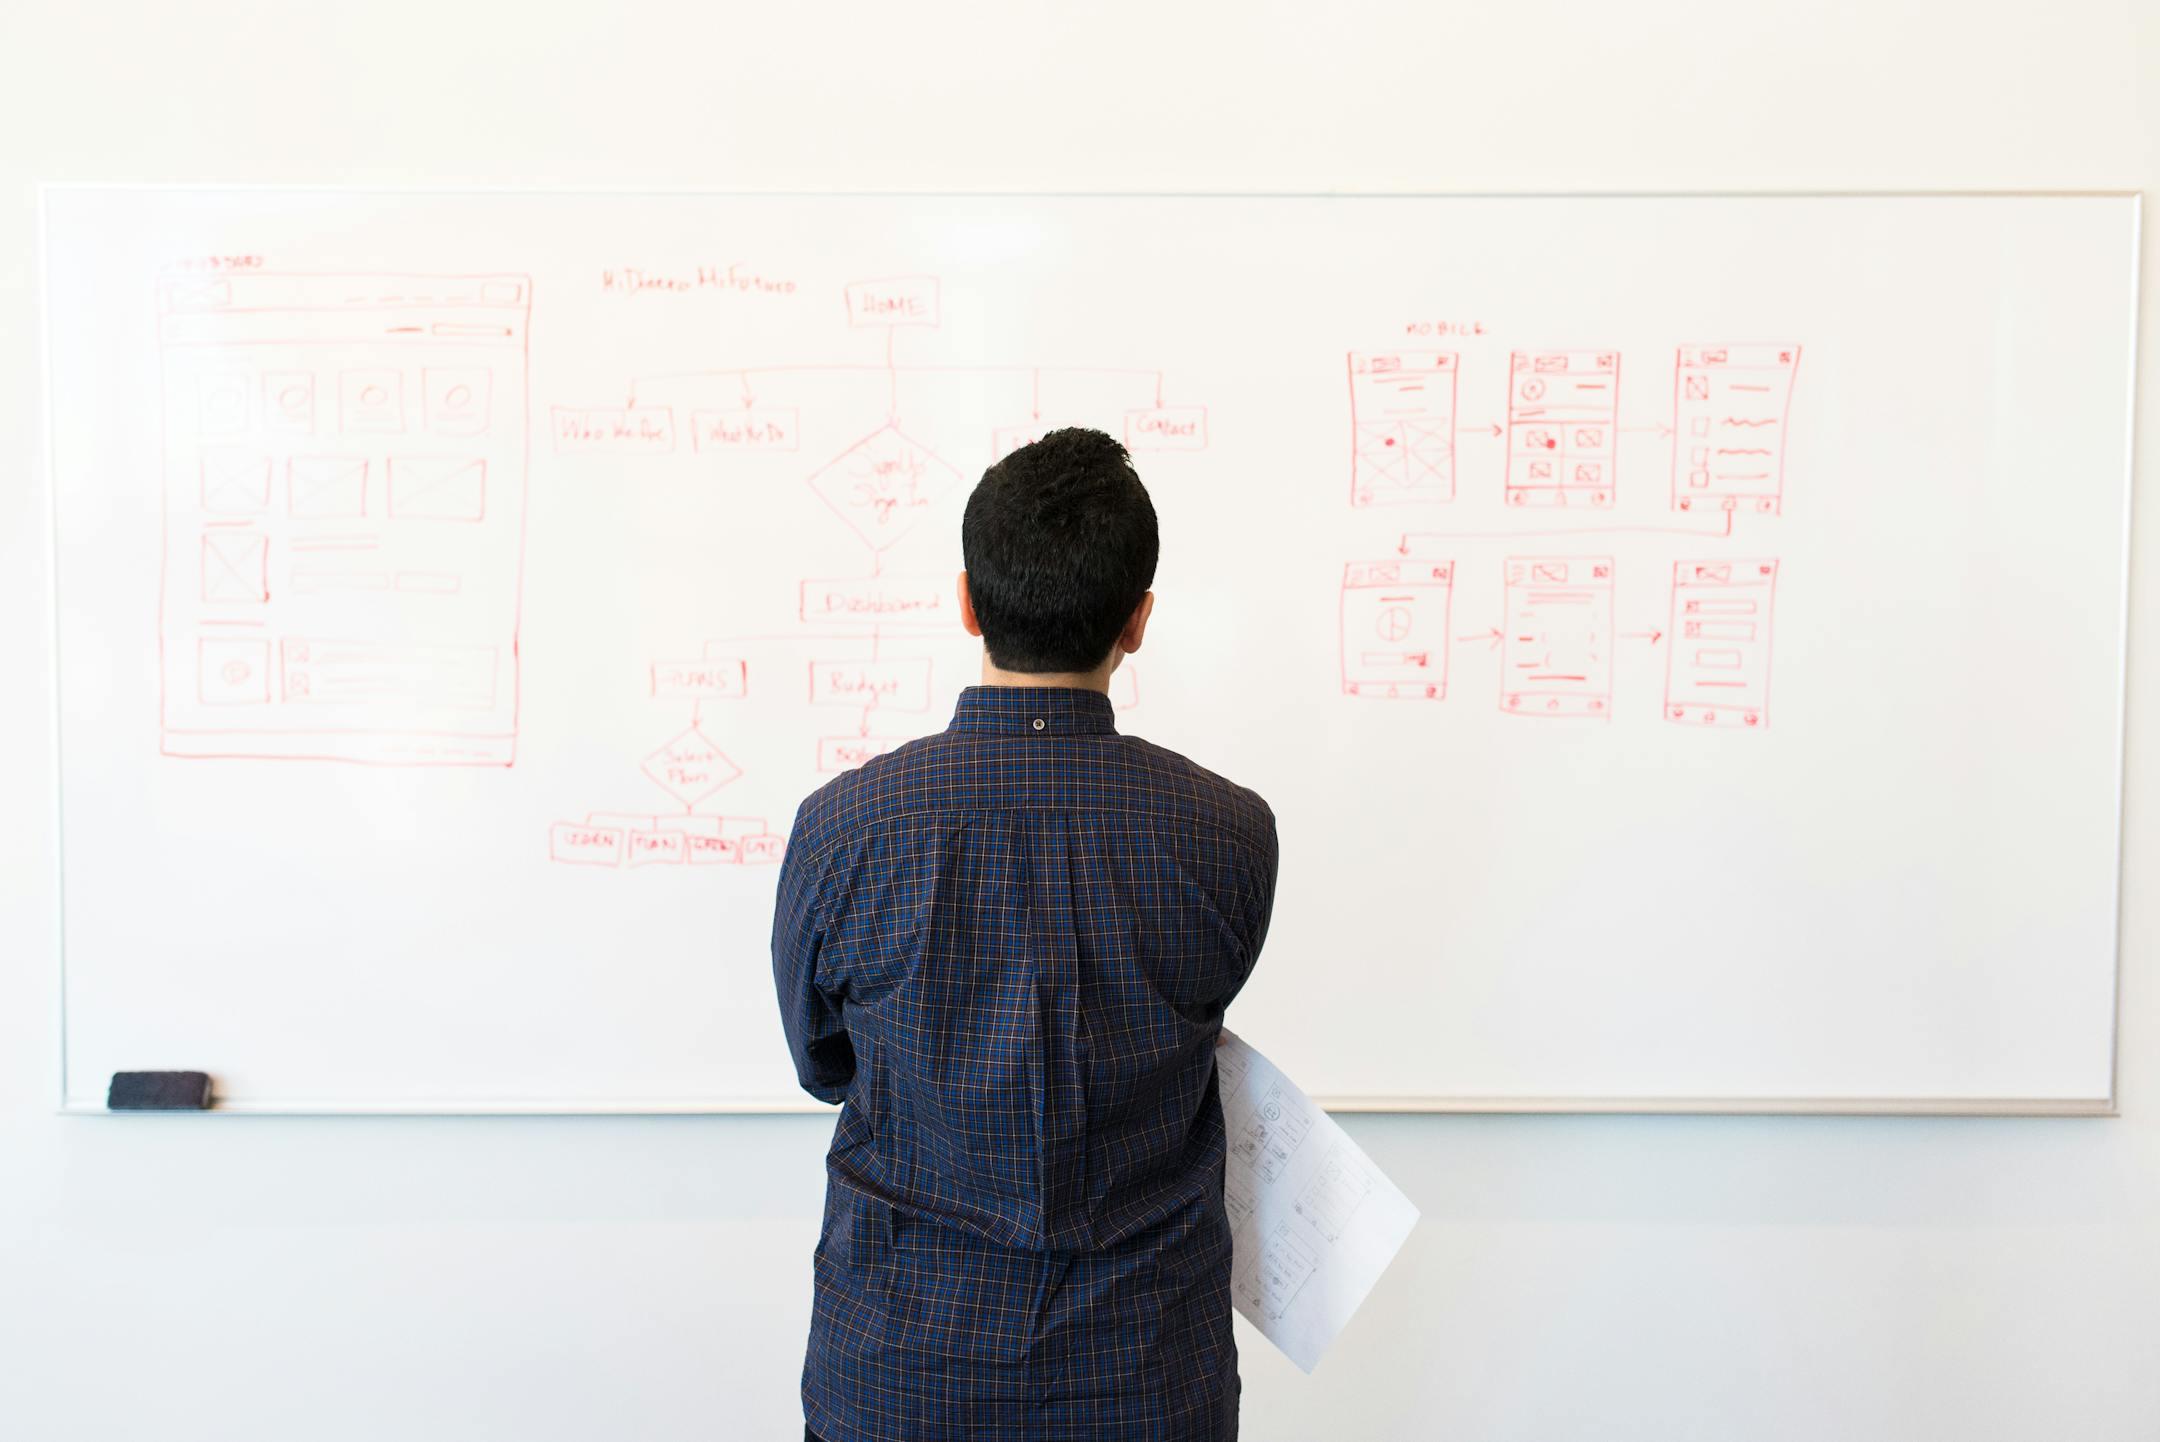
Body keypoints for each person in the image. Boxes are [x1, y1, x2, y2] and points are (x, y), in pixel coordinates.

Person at [772, 426, 1280, 1441]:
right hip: (1146, 1381)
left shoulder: (843, 829)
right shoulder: (1228, 832)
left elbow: (824, 1064)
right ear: (1137, 621)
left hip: (900, 1376)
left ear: (967, 601)